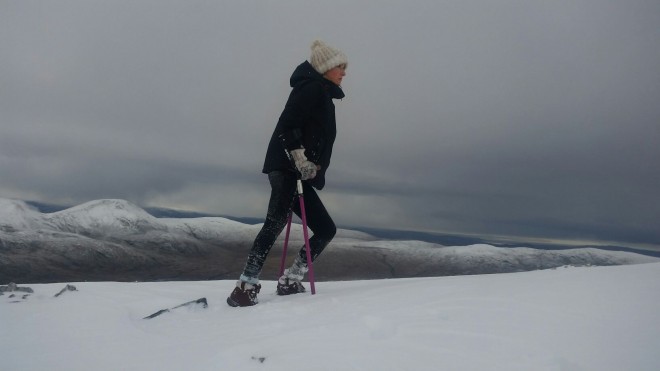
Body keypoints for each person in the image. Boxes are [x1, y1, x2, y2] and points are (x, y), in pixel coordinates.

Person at [227, 40, 348, 307]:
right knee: (276, 222)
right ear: (325, 67)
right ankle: (245, 286)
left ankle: (291, 278)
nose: (344, 72)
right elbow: (287, 125)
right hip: (288, 169)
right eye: (340, 66)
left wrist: (312, 166)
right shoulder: (311, 89)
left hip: (299, 174)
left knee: (325, 229)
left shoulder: (323, 94)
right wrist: (299, 156)